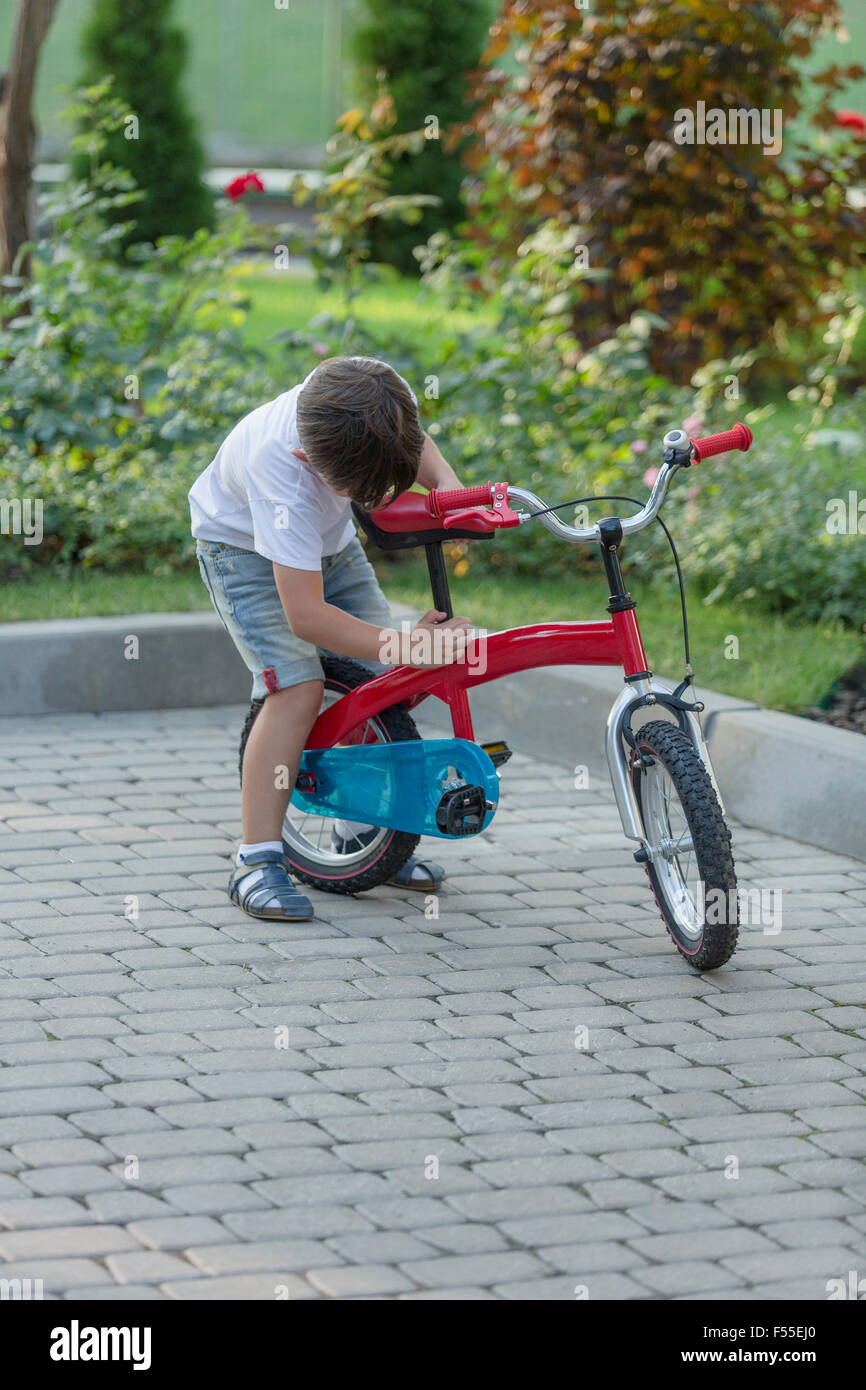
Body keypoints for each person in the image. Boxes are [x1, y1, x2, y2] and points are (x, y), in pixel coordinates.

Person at [190, 355, 474, 922]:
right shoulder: (282, 469)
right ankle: (257, 858)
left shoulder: (375, 390)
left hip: (329, 545)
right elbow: (308, 618)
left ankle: (357, 838)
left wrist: (446, 486)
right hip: (240, 549)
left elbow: (411, 440)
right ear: (308, 460)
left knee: (377, 684)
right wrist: (410, 645)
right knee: (296, 685)